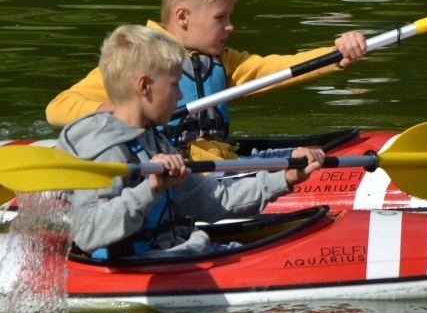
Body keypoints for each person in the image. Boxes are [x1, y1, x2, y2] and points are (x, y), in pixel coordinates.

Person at [44, 0, 371, 156]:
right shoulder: (139, 58)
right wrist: (113, 111)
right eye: (220, 17)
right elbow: (58, 107)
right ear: (183, 17)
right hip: (174, 167)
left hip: (221, 161)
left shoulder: (224, 61)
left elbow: (278, 69)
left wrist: (335, 55)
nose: (230, 26)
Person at [58, 25, 327, 259]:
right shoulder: (107, 151)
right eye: (174, 85)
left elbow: (212, 200)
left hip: (177, 252)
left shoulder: (156, 142)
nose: (179, 97)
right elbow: (88, 234)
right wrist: (150, 189)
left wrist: (285, 178)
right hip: (140, 265)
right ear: (144, 86)